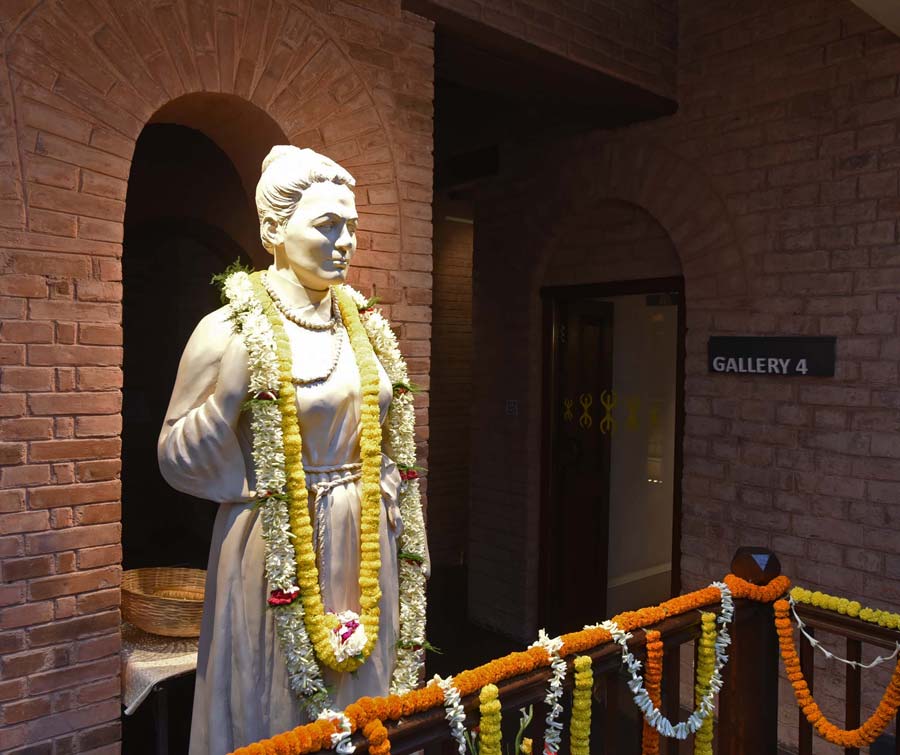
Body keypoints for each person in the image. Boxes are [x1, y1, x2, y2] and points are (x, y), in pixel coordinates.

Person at [158, 146, 426, 755]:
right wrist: (227, 397)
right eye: (327, 225)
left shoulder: (363, 325)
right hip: (275, 540)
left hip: (367, 537)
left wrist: (403, 521)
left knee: (364, 690)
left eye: (351, 226)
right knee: (275, 695)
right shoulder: (228, 329)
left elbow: (385, 439)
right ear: (274, 230)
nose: (345, 242)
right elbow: (175, 455)